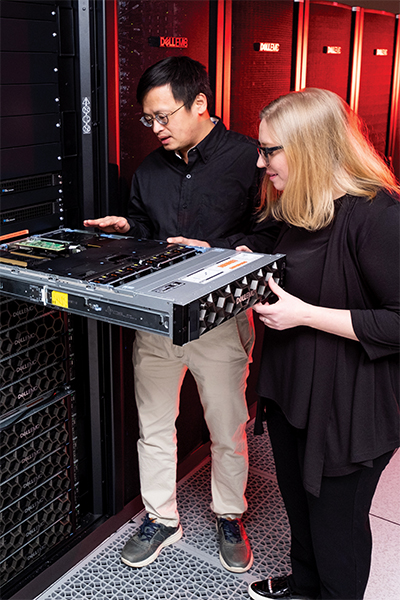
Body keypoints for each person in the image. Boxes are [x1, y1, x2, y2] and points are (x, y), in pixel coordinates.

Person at [84, 56, 277, 573]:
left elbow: (270, 236)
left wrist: (212, 250)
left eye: (164, 116)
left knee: (228, 425)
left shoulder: (248, 159)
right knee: (153, 425)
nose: (157, 129)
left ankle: (229, 515)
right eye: (149, 119)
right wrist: (128, 229)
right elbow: (150, 232)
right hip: (158, 320)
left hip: (220, 317)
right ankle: (161, 518)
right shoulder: (149, 169)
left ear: (200, 104)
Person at [247, 88, 400, 600]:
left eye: (271, 150)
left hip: (352, 405)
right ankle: (306, 586)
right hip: (295, 392)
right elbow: (273, 253)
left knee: (338, 525)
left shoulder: (376, 215)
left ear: (310, 147)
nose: (261, 161)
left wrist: (304, 315)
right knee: (300, 505)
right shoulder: (302, 206)